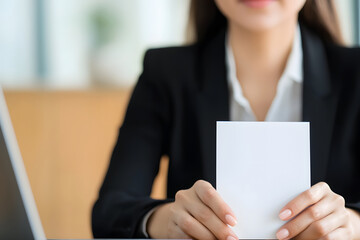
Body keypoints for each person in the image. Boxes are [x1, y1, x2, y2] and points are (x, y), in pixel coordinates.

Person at [92, 0, 360, 239]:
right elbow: (109, 212)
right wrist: (165, 220)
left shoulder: (355, 75)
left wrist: (352, 224)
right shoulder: (166, 73)